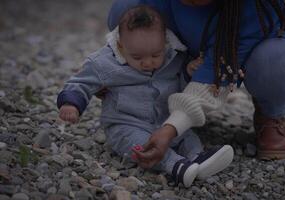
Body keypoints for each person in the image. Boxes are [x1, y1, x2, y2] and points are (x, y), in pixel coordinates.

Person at [107, 0, 285, 167]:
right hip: (200, 33)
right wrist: (112, 73)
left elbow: (219, 65)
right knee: (127, 12)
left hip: (270, 35)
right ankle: (158, 87)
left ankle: (271, 112)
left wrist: (171, 128)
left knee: (273, 63)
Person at [57, 5, 234, 187]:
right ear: (121, 46)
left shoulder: (174, 57)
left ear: (165, 42)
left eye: (155, 54)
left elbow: (183, 89)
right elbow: (81, 81)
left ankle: (198, 158)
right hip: (127, 123)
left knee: (186, 135)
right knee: (139, 145)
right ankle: (175, 165)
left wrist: (188, 72)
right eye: (137, 57)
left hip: (165, 121)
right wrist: (71, 103)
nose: (148, 62)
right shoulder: (104, 63)